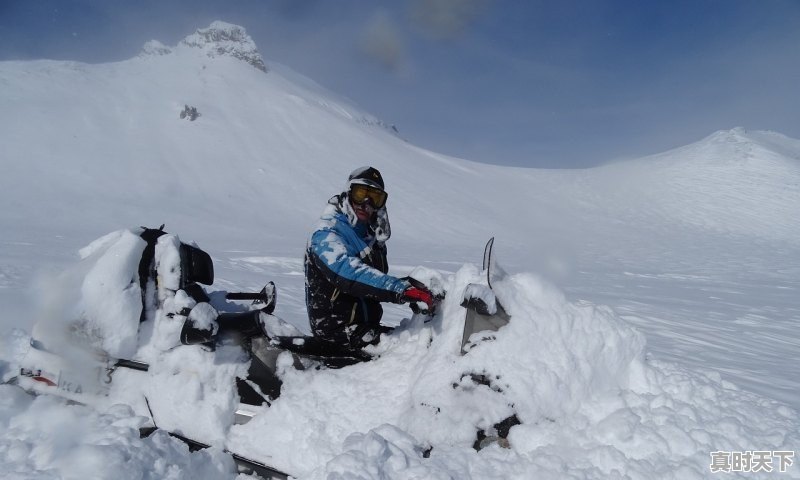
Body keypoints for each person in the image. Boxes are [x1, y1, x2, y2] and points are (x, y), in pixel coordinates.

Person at [304, 166, 434, 353]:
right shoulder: (326, 233)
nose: (366, 203)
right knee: (413, 350)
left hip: (364, 330)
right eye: (360, 193)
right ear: (348, 194)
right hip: (337, 334)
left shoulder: (369, 238)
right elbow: (348, 271)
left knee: (423, 341)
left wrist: (414, 288)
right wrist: (400, 289)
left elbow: (372, 280)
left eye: (375, 197)